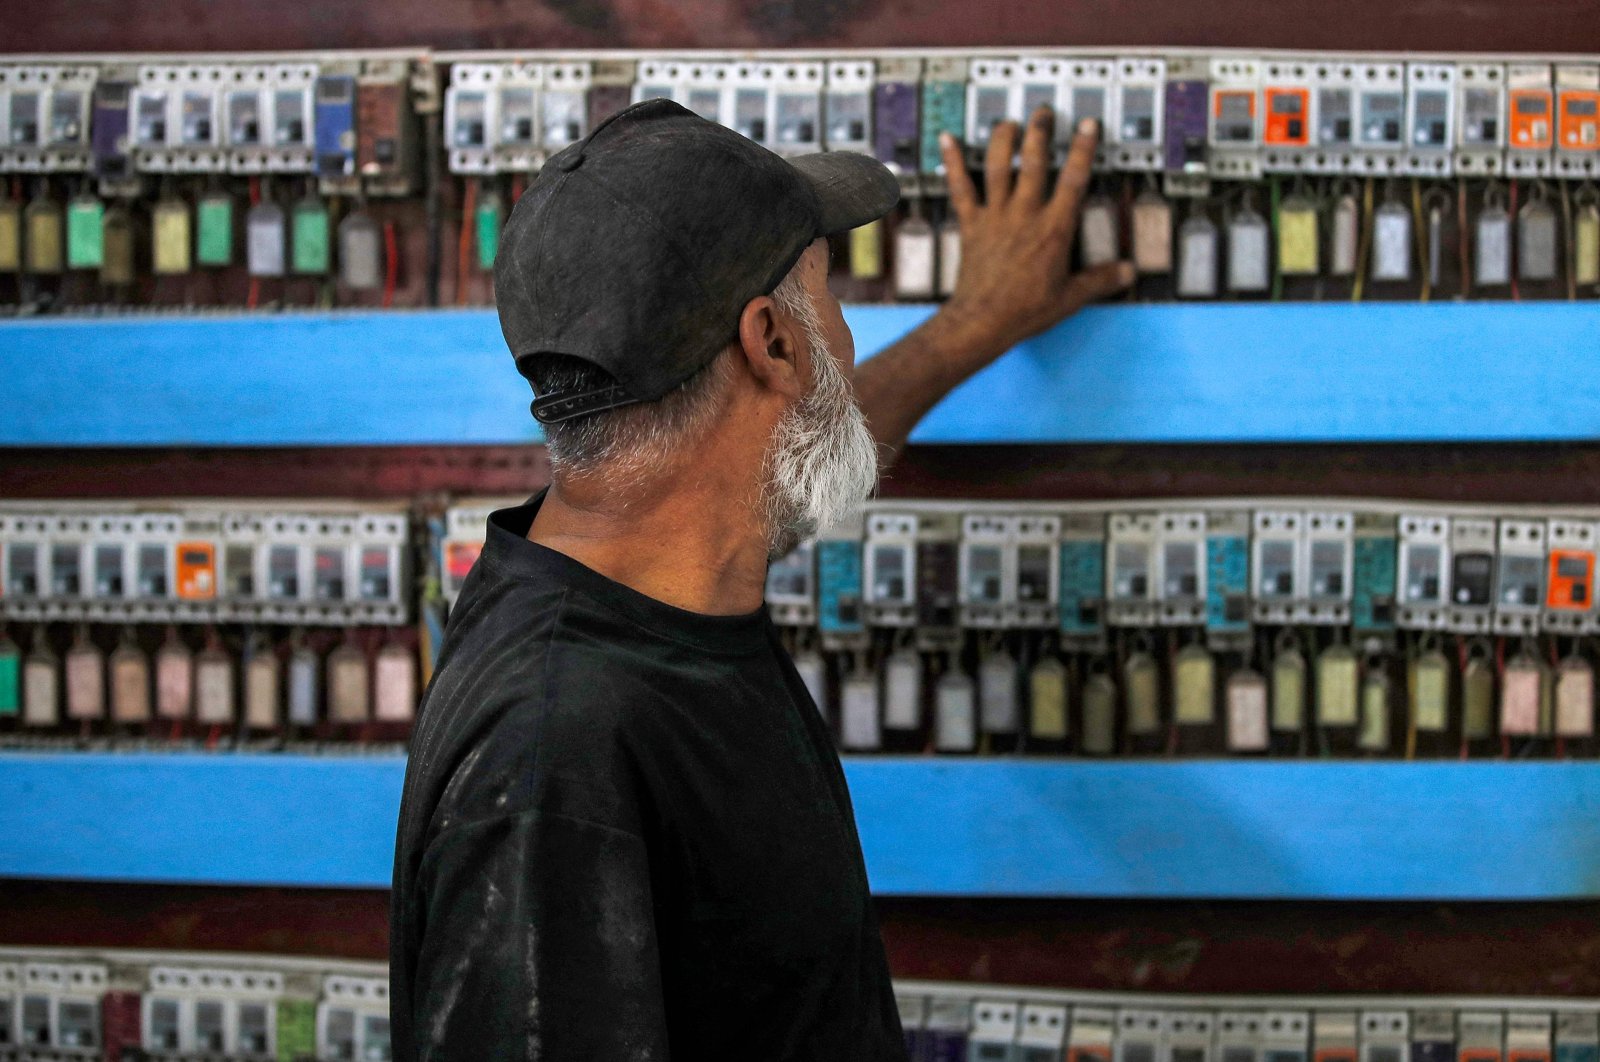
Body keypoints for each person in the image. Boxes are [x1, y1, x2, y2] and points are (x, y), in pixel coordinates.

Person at [390, 97, 1132, 1062]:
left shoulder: (641, 572)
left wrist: (971, 327)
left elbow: (786, 443)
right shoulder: (552, 763)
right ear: (773, 344)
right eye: (828, 298)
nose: (844, 335)